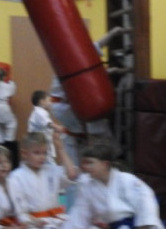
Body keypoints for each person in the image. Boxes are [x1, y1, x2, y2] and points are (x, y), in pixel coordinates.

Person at [49, 26, 124, 166]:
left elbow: (94, 52)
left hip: (64, 106)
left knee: (78, 136)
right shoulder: (70, 56)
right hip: (66, 106)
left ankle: (86, 163)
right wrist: (112, 33)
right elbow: (86, 77)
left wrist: (112, 34)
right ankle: (112, 159)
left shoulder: (68, 55)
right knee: (98, 125)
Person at [7, 131, 85, 229]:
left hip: (56, 219)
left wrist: (60, 148)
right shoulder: (16, 177)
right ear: (24, 153)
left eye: (44, 153)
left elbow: (72, 174)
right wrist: (34, 221)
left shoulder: (51, 170)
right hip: (34, 224)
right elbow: (20, 212)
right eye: (37, 153)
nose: (42, 157)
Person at [27, 90, 65, 164]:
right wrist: (59, 128)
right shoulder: (39, 112)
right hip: (38, 143)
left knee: (47, 161)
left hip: (43, 142)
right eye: (49, 101)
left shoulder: (41, 112)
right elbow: (48, 123)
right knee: (48, 162)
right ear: (42, 102)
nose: (51, 103)